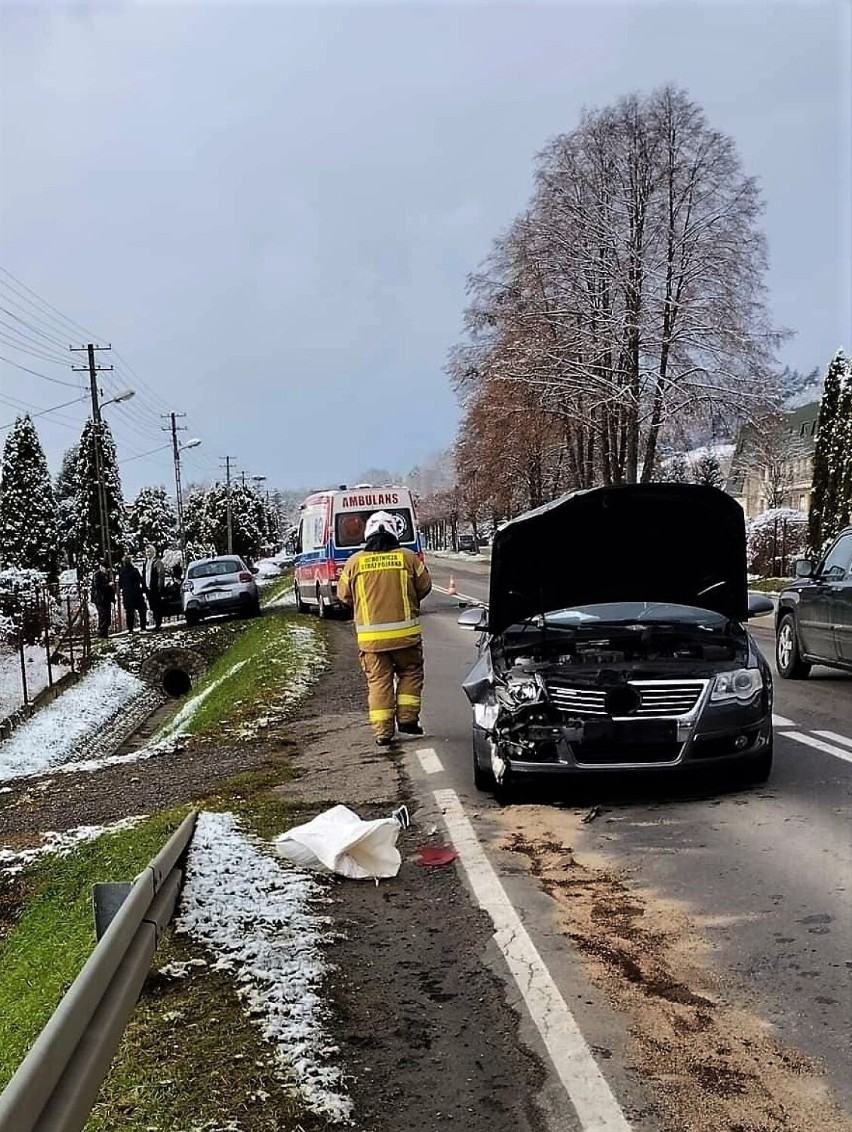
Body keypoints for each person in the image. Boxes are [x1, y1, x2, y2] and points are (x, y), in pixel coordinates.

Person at [337, 510, 432, 746]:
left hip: (371, 641)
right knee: (410, 673)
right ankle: (408, 720)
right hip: (406, 638)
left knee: (379, 683)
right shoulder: (408, 558)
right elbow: (425, 586)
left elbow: (343, 595)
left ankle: (383, 733)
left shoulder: (354, 562)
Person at [118, 553, 148, 632]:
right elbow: (140, 580)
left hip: (127, 595)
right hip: (136, 593)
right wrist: (143, 589)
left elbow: (120, 584)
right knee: (142, 610)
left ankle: (130, 629)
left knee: (129, 612)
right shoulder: (134, 570)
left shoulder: (122, 572)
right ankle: (143, 626)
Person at [90, 561, 115, 639]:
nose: (106, 570)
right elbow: (97, 586)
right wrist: (108, 585)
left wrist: (112, 599)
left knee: (107, 617)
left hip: (106, 599)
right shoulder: (97, 575)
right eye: (105, 568)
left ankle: (105, 633)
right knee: (103, 616)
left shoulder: (106, 575)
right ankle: (101, 633)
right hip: (100, 599)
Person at [146, 546, 167, 629]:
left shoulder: (157, 562)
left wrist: (159, 587)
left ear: (153, 552)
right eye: (147, 552)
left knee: (157, 606)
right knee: (152, 606)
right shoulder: (146, 563)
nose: (148, 554)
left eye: (149, 552)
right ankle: (156, 623)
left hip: (155, 588)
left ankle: (158, 623)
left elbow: (161, 575)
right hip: (148, 588)